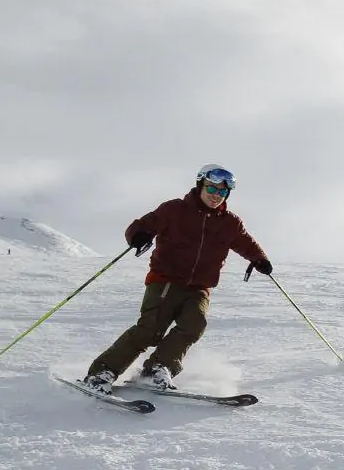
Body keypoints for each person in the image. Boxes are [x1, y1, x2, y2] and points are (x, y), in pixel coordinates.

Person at [81, 165, 272, 391]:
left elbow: (245, 242)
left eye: (222, 192)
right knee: (149, 331)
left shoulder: (230, 222)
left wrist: (259, 258)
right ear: (200, 185)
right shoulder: (174, 210)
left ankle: (158, 368)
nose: (215, 195)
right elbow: (143, 225)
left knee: (194, 325)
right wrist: (138, 235)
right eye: (211, 188)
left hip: (199, 287)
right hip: (166, 280)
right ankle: (102, 372)